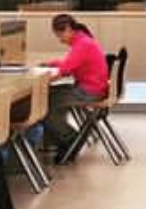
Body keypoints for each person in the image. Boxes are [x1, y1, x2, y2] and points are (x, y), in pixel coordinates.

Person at [39, 13, 108, 162]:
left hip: (90, 91)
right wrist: (52, 64)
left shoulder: (82, 44)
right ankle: (58, 140)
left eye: (60, 35)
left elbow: (65, 71)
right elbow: (71, 63)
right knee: (49, 96)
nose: (60, 39)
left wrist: (42, 80)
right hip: (92, 88)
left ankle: (70, 139)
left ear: (68, 29)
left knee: (44, 104)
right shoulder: (82, 41)